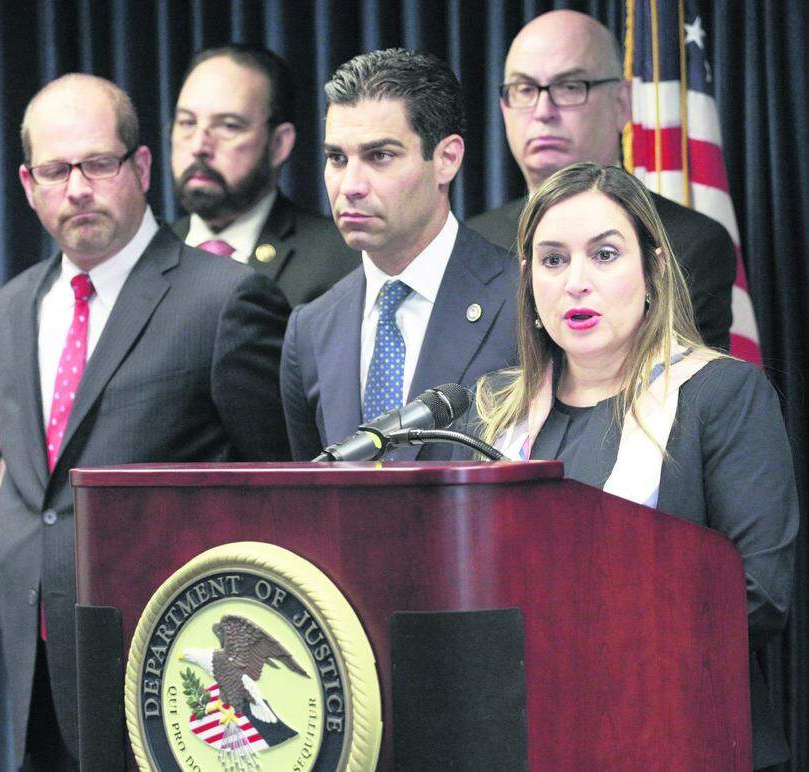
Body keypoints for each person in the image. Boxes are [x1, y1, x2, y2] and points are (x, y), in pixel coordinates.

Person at [0, 73, 291, 768]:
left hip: (172, 673)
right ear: (28, 184)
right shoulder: (3, 314)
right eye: (56, 171)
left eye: (98, 164)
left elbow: (285, 494)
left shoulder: (226, 301)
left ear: (142, 167)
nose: (78, 189)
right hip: (28, 679)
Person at [471, 162, 797, 770]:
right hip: (530, 745)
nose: (576, 283)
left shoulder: (720, 396)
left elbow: (756, 598)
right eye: (553, 260)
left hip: (686, 738)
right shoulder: (490, 416)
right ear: (527, 281)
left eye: (605, 255)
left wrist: (573, 652)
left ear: (654, 271)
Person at [280, 48, 518, 462]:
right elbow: (309, 493)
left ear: (446, 159)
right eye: (337, 158)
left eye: (380, 156)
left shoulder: (523, 299)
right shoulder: (311, 328)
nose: (350, 185)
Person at [467, 9, 736, 351]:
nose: (543, 109)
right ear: (505, 107)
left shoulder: (689, 244)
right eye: (524, 89)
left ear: (621, 103)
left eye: (569, 87)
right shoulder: (472, 243)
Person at [170, 44, 358, 305]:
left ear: (279, 143)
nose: (199, 146)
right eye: (187, 123)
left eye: (228, 126)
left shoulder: (342, 262)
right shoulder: (144, 255)